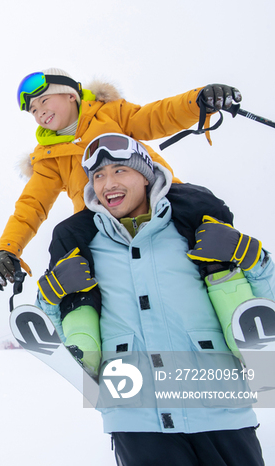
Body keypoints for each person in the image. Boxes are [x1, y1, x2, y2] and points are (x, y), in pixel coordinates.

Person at [36, 134, 272, 465]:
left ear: (145, 175)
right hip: (136, 420)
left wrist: (255, 258)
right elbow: (64, 350)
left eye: (119, 171)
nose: (107, 184)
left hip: (220, 410)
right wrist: (48, 300)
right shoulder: (82, 242)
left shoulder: (192, 226)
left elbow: (263, 311)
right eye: (98, 176)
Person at [0, 68, 242, 374]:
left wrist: (198, 100)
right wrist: (8, 250)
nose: (39, 112)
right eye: (33, 110)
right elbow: (31, 205)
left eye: (44, 101)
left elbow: (156, 116)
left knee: (202, 206)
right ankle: (84, 340)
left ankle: (237, 311)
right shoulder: (48, 157)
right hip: (100, 218)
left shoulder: (110, 114)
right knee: (66, 239)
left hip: (156, 198)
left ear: (71, 95)